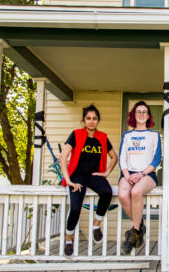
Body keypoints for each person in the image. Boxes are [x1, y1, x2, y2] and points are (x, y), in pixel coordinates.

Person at [60, 105, 118, 257]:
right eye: (88, 118)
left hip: (93, 174)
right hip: (77, 176)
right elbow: (63, 157)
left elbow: (114, 157)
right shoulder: (76, 134)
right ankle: (68, 238)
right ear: (84, 120)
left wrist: (106, 172)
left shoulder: (103, 137)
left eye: (94, 119)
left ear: (98, 120)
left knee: (107, 192)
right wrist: (68, 180)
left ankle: (96, 225)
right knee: (75, 209)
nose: (91, 122)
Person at [118, 101, 161, 254]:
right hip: (128, 173)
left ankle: (135, 232)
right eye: (138, 112)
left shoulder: (154, 135)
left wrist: (142, 173)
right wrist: (127, 174)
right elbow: (122, 157)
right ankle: (140, 225)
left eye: (144, 112)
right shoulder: (127, 135)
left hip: (147, 174)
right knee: (123, 194)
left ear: (148, 116)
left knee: (136, 192)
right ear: (133, 115)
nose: (141, 114)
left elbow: (156, 159)